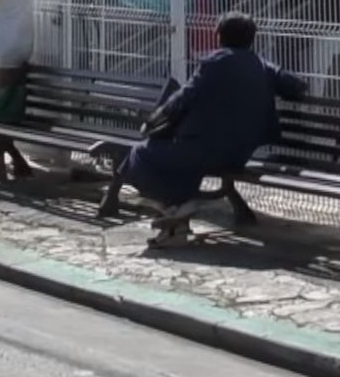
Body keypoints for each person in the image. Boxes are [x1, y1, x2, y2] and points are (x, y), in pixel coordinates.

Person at [120, 13, 308, 246]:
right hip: (239, 155)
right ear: (252, 39)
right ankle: (175, 226)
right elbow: (298, 86)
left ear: (218, 36)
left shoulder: (214, 63)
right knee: (179, 160)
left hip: (203, 150)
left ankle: (175, 206)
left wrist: (153, 122)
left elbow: (182, 99)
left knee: (139, 154)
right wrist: (270, 70)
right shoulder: (262, 66)